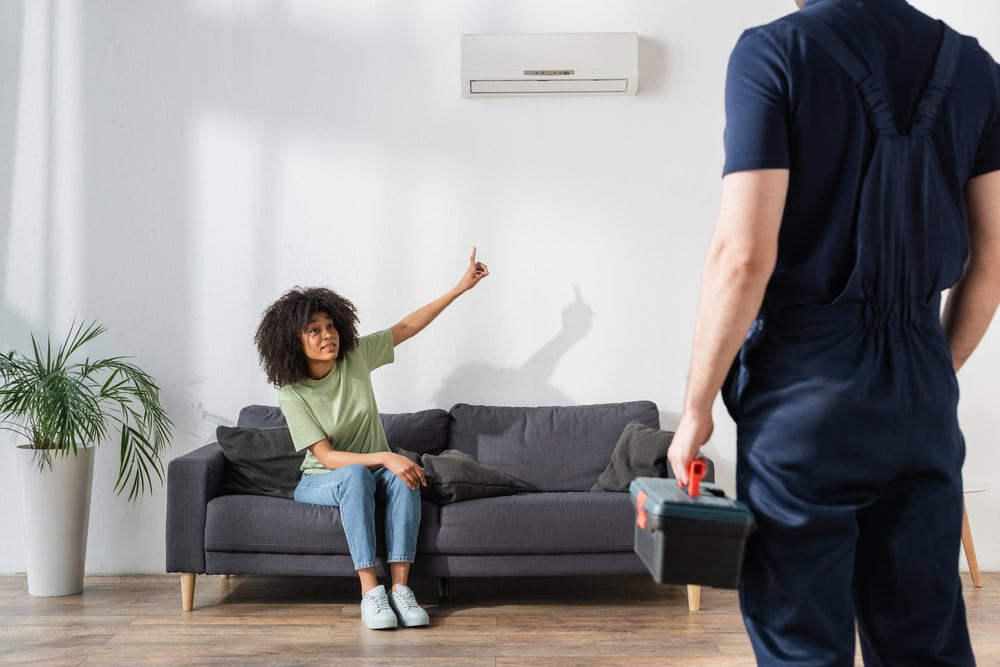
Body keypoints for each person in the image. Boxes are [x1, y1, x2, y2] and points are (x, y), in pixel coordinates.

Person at [667, 0, 1000, 664]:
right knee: (924, 643)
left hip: (806, 395)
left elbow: (743, 257)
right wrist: (926, 372)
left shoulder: (775, 53)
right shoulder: (974, 67)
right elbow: (990, 261)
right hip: (923, 394)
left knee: (802, 642)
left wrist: (696, 408)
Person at [254, 248, 489, 630]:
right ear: (291, 341)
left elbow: (407, 327)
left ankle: (400, 591)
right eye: (314, 330)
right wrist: (384, 455)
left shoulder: (355, 357)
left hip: (372, 470)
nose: (327, 335)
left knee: (404, 473)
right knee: (356, 475)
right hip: (322, 479)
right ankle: (370, 593)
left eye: (330, 325)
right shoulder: (292, 391)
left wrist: (460, 287)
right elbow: (328, 458)